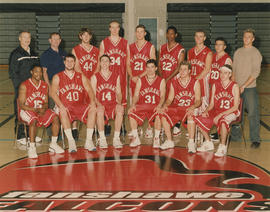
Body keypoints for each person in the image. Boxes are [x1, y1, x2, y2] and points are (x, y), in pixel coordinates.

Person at [51, 54, 96, 153]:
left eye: (72, 61)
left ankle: (88, 141)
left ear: (75, 63)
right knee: (62, 111)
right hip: (66, 106)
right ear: (64, 62)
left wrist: (92, 102)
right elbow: (52, 93)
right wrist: (61, 106)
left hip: (79, 105)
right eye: (67, 61)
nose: (70, 63)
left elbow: (90, 90)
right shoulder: (57, 76)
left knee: (93, 109)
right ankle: (71, 141)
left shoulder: (81, 76)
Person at [18, 66, 64, 158]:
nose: (38, 74)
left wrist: (44, 108)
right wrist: (34, 110)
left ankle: (53, 144)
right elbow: (21, 105)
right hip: (27, 110)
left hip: (40, 110)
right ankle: (32, 147)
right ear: (31, 72)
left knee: (55, 117)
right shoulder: (24, 85)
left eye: (40, 72)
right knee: (34, 120)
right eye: (36, 72)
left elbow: (46, 102)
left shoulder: (44, 85)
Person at [194, 65, 240, 156]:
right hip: (217, 110)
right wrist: (206, 111)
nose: (222, 75)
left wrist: (220, 115)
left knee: (223, 122)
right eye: (221, 72)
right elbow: (211, 104)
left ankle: (222, 147)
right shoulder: (215, 85)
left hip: (231, 112)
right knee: (199, 118)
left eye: (225, 73)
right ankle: (208, 142)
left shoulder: (235, 86)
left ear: (230, 74)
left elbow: (235, 107)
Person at [160, 61, 201, 152]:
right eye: (180, 69)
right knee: (163, 113)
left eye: (185, 70)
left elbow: (198, 101)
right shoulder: (174, 82)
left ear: (189, 71)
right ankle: (170, 140)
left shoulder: (195, 82)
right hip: (177, 108)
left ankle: (191, 143)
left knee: (191, 114)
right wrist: (165, 105)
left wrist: (193, 107)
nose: (182, 72)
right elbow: (170, 99)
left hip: (189, 108)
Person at [232, 28, 262, 148]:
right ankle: (235, 137)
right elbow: (233, 70)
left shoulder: (256, 53)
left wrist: (244, 86)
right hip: (236, 88)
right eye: (245, 36)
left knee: (252, 114)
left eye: (249, 37)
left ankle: (255, 139)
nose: (246, 39)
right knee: (236, 113)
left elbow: (255, 73)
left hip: (249, 88)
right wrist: (234, 85)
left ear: (253, 39)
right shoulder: (238, 52)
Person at [9, 31, 39, 144]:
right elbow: (13, 73)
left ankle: (31, 135)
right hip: (22, 89)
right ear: (19, 39)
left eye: (29, 37)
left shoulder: (34, 53)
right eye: (24, 37)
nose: (27, 39)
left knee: (32, 112)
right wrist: (20, 88)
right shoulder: (15, 54)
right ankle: (20, 136)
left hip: (34, 90)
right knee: (20, 111)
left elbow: (38, 71)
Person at [128, 59, 165, 148]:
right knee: (131, 111)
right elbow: (136, 95)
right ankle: (136, 138)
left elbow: (163, 96)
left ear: (156, 68)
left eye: (152, 67)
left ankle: (156, 139)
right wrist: (133, 104)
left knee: (159, 113)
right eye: (148, 67)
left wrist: (159, 105)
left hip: (155, 106)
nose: (150, 69)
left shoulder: (161, 80)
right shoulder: (141, 80)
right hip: (143, 106)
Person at [127, 24, 156, 139]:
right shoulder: (130, 46)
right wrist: (131, 75)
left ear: (145, 33)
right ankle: (136, 128)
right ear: (135, 33)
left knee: (147, 103)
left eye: (141, 32)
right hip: (133, 79)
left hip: (146, 79)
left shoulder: (150, 47)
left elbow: (152, 63)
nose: (139, 34)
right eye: (137, 31)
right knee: (135, 103)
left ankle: (149, 128)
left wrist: (140, 76)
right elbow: (128, 64)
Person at [72, 28, 99, 140]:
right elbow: (76, 66)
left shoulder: (96, 50)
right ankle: (74, 129)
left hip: (93, 81)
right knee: (78, 104)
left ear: (91, 37)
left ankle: (93, 128)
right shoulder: (75, 50)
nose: (86, 37)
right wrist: (85, 79)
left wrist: (93, 78)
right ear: (80, 36)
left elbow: (98, 65)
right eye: (84, 35)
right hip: (81, 81)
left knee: (93, 104)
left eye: (88, 35)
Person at [91, 54, 124, 148]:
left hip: (113, 103)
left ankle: (116, 138)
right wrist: (98, 104)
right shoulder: (95, 77)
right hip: (101, 104)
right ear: (100, 63)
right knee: (100, 111)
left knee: (120, 109)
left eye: (107, 61)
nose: (105, 63)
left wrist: (119, 103)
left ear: (110, 63)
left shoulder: (115, 76)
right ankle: (102, 139)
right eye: (103, 61)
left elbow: (119, 92)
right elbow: (92, 95)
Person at [40, 33, 69, 137]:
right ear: (50, 41)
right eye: (54, 39)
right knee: (52, 108)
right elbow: (44, 72)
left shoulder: (63, 53)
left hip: (64, 83)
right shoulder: (46, 54)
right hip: (52, 83)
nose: (56, 41)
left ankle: (63, 131)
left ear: (60, 41)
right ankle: (52, 134)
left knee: (63, 107)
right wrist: (49, 86)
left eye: (58, 39)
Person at [159, 26, 185, 137]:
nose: (170, 36)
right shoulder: (162, 47)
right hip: (163, 79)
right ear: (166, 34)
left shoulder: (181, 49)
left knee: (175, 102)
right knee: (164, 101)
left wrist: (168, 78)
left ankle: (177, 126)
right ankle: (165, 125)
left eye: (172, 34)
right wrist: (161, 78)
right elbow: (159, 64)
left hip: (174, 79)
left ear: (176, 35)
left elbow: (179, 66)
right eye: (168, 33)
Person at [210, 37, 232, 141]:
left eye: (220, 44)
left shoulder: (227, 59)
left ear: (225, 46)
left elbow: (230, 75)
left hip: (221, 87)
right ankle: (217, 132)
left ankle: (221, 133)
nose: (218, 46)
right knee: (214, 110)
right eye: (216, 44)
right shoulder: (213, 56)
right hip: (212, 86)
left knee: (220, 110)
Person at [188, 29, 212, 114]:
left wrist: (195, 80)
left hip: (202, 82)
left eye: (201, 36)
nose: (198, 38)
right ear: (194, 37)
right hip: (192, 82)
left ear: (204, 38)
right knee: (193, 107)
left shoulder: (208, 52)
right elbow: (188, 68)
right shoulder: (190, 51)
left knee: (202, 107)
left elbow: (206, 70)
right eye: (197, 36)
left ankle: (202, 126)